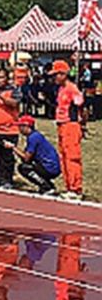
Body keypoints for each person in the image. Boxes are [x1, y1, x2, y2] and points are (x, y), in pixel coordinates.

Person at [50, 60, 85, 198]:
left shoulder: (72, 88)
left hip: (71, 124)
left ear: (63, 74)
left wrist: (81, 123)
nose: (55, 78)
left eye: (57, 75)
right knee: (64, 156)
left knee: (72, 156)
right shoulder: (61, 89)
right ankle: (69, 186)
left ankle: (76, 188)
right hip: (62, 124)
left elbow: (80, 106)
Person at [4, 115, 60, 195]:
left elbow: (26, 158)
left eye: (21, 126)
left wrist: (13, 147)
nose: (19, 129)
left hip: (49, 167)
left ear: (26, 126)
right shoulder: (35, 136)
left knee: (24, 168)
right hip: (49, 166)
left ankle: (46, 186)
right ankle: (48, 185)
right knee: (28, 166)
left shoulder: (33, 138)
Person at [0, 68, 21, 188]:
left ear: (7, 78)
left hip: (9, 129)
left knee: (7, 156)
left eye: (2, 77)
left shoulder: (13, 90)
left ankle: (7, 179)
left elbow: (14, 103)